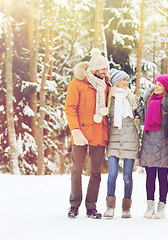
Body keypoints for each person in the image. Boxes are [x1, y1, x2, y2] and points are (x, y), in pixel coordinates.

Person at [65, 48, 110, 219]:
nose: (104, 72)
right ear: (92, 69)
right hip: (81, 133)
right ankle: (74, 205)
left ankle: (91, 207)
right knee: (77, 170)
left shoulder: (106, 86)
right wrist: (75, 130)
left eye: (105, 69)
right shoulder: (77, 84)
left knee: (96, 173)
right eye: (101, 69)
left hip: (99, 132)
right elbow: (70, 109)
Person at [103, 69, 143, 219]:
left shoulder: (133, 98)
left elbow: (142, 116)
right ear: (115, 82)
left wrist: (138, 119)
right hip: (113, 140)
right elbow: (105, 119)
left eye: (127, 80)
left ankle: (126, 209)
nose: (126, 83)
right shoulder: (109, 99)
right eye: (123, 80)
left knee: (127, 176)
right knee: (112, 174)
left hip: (130, 140)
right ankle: (110, 207)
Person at [139, 74, 168, 219]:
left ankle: (162, 207)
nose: (156, 87)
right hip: (149, 143)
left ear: (166, 88)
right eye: (155, 83)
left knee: (162, 177)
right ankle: (150, 207)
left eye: (160, 85)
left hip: (163, 143)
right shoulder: (148, 100)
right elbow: (142, 119)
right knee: (149, 177)